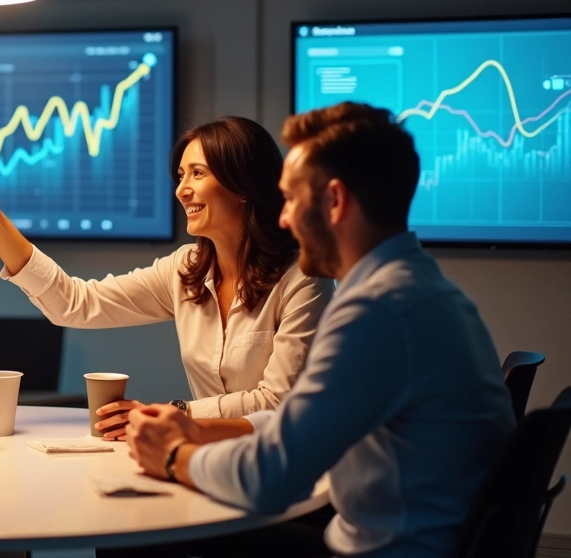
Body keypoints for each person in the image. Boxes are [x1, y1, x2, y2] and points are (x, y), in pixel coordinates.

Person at [124, 102, 516, 557]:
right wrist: (198, 429)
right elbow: (297, 420)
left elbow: (270, 480)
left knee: (140, 529)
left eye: (290, 199)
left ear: (334, 201)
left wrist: (173, 456)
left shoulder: (377, 313)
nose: (283, 218)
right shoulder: (420, 292)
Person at [0, 116, 334, 436]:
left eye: (198, 173)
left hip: (284, 469)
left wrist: (178, 413)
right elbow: (74, 304)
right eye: (180, 176)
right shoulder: (185, 270)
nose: (181, 190)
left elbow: (278, 402)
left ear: (243, 186)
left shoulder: (303, 277)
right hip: (207, 459)